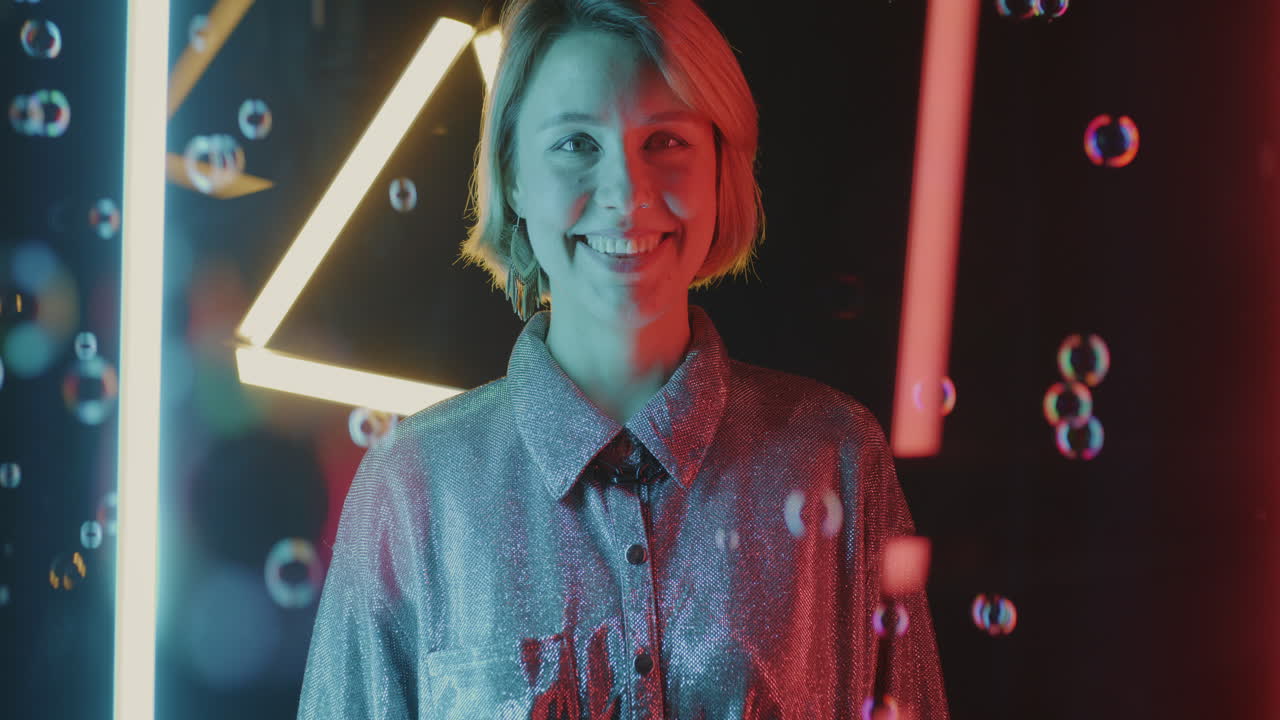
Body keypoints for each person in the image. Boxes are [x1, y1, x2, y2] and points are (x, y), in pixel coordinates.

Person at [296, 0, 950, 718]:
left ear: (720, 167)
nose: (626, 194)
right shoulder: (412, 488)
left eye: (665, 141)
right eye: (576, 143)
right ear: (512, 175)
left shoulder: (837, 459)